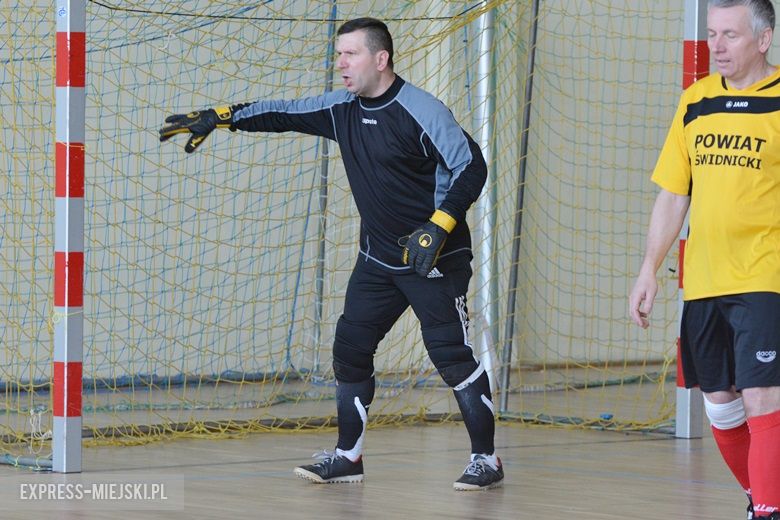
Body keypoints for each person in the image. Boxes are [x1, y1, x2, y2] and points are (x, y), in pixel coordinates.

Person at [159, 18, 502, 491]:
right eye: (338, 54)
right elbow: (284, 113)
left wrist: (439, 225)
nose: (340, 64)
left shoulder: (421, 110)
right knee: (350, 352)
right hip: (379, 260)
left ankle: (487, 460)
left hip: (434, 259)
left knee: (452, 358)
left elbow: (472, 166)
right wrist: (221, 116)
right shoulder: (341, 108)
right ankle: (347, 458)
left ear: (380, 60)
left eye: (350, 55)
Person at [629, 1, 780, 518]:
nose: (716, 45)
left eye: (730, 35)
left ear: (763, 40)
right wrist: (650, 268)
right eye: (712, 34)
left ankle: (767, 509)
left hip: (766, 275)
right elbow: (674, 195)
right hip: (704, 282)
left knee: (763, 398)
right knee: (720, 404)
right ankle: (762, 493)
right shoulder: (695, 101)